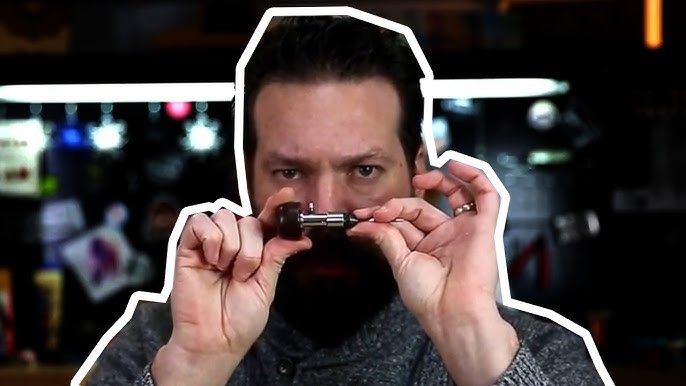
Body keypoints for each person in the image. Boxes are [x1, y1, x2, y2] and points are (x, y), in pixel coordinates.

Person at [86, 15, 605, 386]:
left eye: (364, 169)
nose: (323, 208)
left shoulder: (535, 353)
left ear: (418, 169)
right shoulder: (158, 346)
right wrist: (196, 366)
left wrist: (472, 337)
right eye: (290, 171)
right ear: (247, 176)